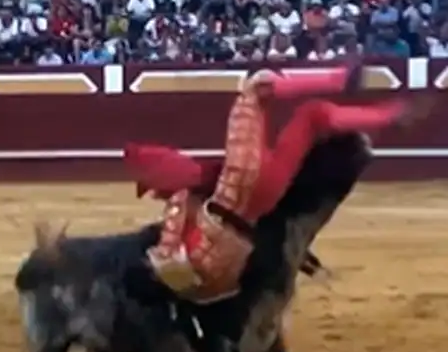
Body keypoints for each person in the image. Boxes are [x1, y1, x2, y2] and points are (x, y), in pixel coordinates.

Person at [124, 62, 431, 303]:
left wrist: (163, 269)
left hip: (259, 204)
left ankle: (367, 98)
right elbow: (171, 252)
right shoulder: (186, 193)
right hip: (248, 183)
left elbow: (172, 261)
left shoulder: (182, 208)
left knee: (312, 117)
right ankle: (375, 105)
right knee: (257, 88)